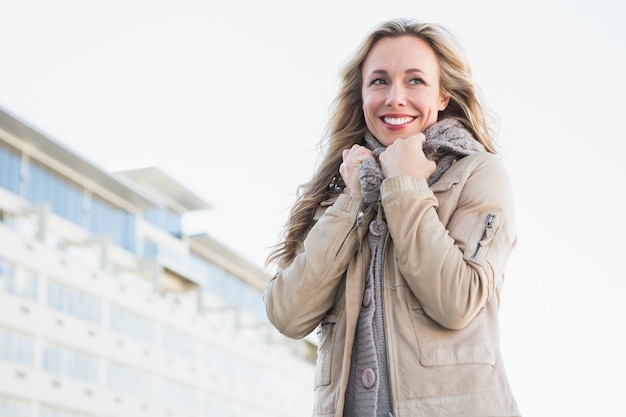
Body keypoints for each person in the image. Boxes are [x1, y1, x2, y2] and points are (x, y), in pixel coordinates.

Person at [263, 17, 521, 417]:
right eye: (379, 81)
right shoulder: (341, 190)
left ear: (442, 96)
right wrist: (351, 202)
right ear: (362, 95)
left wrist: (404, 185)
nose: (395, 97)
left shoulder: (478, 174)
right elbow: (288, 314)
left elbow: (457, 300)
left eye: (415, 80)